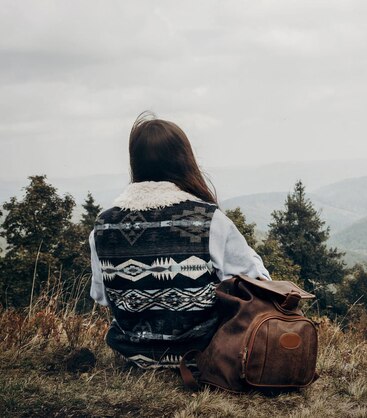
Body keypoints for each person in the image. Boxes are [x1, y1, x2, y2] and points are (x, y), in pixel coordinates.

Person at [89, 111, 271, 368]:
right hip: (202, 359)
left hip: (133, 360)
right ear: (184, 160)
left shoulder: (102, 226)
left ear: (135, 162)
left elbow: (101, 296)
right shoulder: (209, 221)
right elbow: (259, 282)